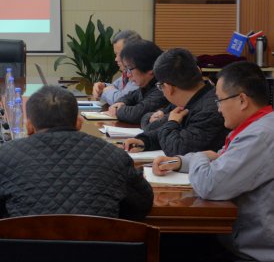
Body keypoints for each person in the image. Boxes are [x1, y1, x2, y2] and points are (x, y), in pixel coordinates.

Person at [0, 85, 153, 221]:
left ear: (29, 127)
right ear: (79, 123)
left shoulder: (7, 156)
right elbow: (142, 204)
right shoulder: (115, 156)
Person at [152, 61, 274, 261]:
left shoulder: (260, 136)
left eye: (220, 100)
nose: (218, 109)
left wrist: (200, 156)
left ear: (242, 100)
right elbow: (219, 157)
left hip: (252, 253)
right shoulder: (259, 126)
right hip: (238, 239)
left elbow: (210, 184)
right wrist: (179, 162)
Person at [123, 48, 228, 155]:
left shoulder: (210, 110)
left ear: (168, 88)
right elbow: (164, 130)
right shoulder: (191, 99)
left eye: (160, 86)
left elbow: (177, 148)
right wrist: (145, 141)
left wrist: (172, 123)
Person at [107, 40, 169, 124]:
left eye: (130, 69)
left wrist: (117, 110)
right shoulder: (147, 85)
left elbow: (136, 114)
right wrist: (121, 102)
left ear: (149, 69)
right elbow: (130, 96)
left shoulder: (163, 87)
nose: (128, 75)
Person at [92, 30, 142, 105]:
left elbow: (121, 100)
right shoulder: (128, 72)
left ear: (133, 52)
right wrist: (103, 86)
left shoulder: (140, 72)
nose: (116, 59)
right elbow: (115, 86)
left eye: (120, 54)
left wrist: (105, 91)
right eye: (115, 54)